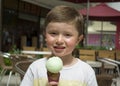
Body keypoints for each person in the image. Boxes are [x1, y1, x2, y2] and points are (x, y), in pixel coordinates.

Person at [20, 5, 98, 86]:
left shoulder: (86, 72)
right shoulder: (35, 68)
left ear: (78, 40)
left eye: (67, 35)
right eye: (53, 33)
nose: (59, 40)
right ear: (45, 36)